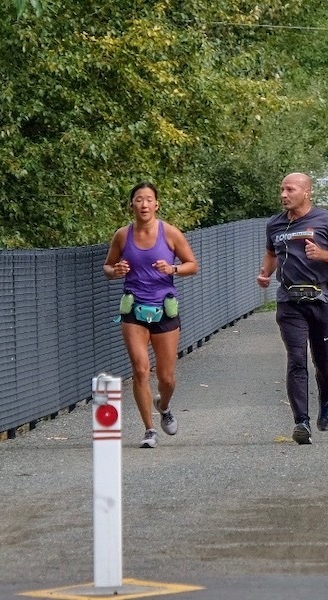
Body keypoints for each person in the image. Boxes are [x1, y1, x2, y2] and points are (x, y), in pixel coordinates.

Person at [257, 172, 328, 445]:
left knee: (323, 361)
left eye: (289, 190)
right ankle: (301, 422)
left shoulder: (325, 220)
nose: (283, 195)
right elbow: (271, 252)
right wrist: (266, 272)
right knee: (296, 359)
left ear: (306, 192)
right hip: (289, 301)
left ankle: (326, 402)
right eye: (282, 189)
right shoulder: (274, 224)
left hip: (320, 299)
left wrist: (323, 254)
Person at [103, 181, 199, 448]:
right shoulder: (123, 235)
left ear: (157, 204)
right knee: (140, 370)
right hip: (134, 309)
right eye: (138, 199)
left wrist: (173, 270)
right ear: (131, 204)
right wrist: (116, 270)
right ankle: (149, 430)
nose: (144, 204)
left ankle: (164, 406)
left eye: (148, 200)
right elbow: (107, 268)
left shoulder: (169, 232)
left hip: (164, 310)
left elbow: (193, 265)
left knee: (166, 377)